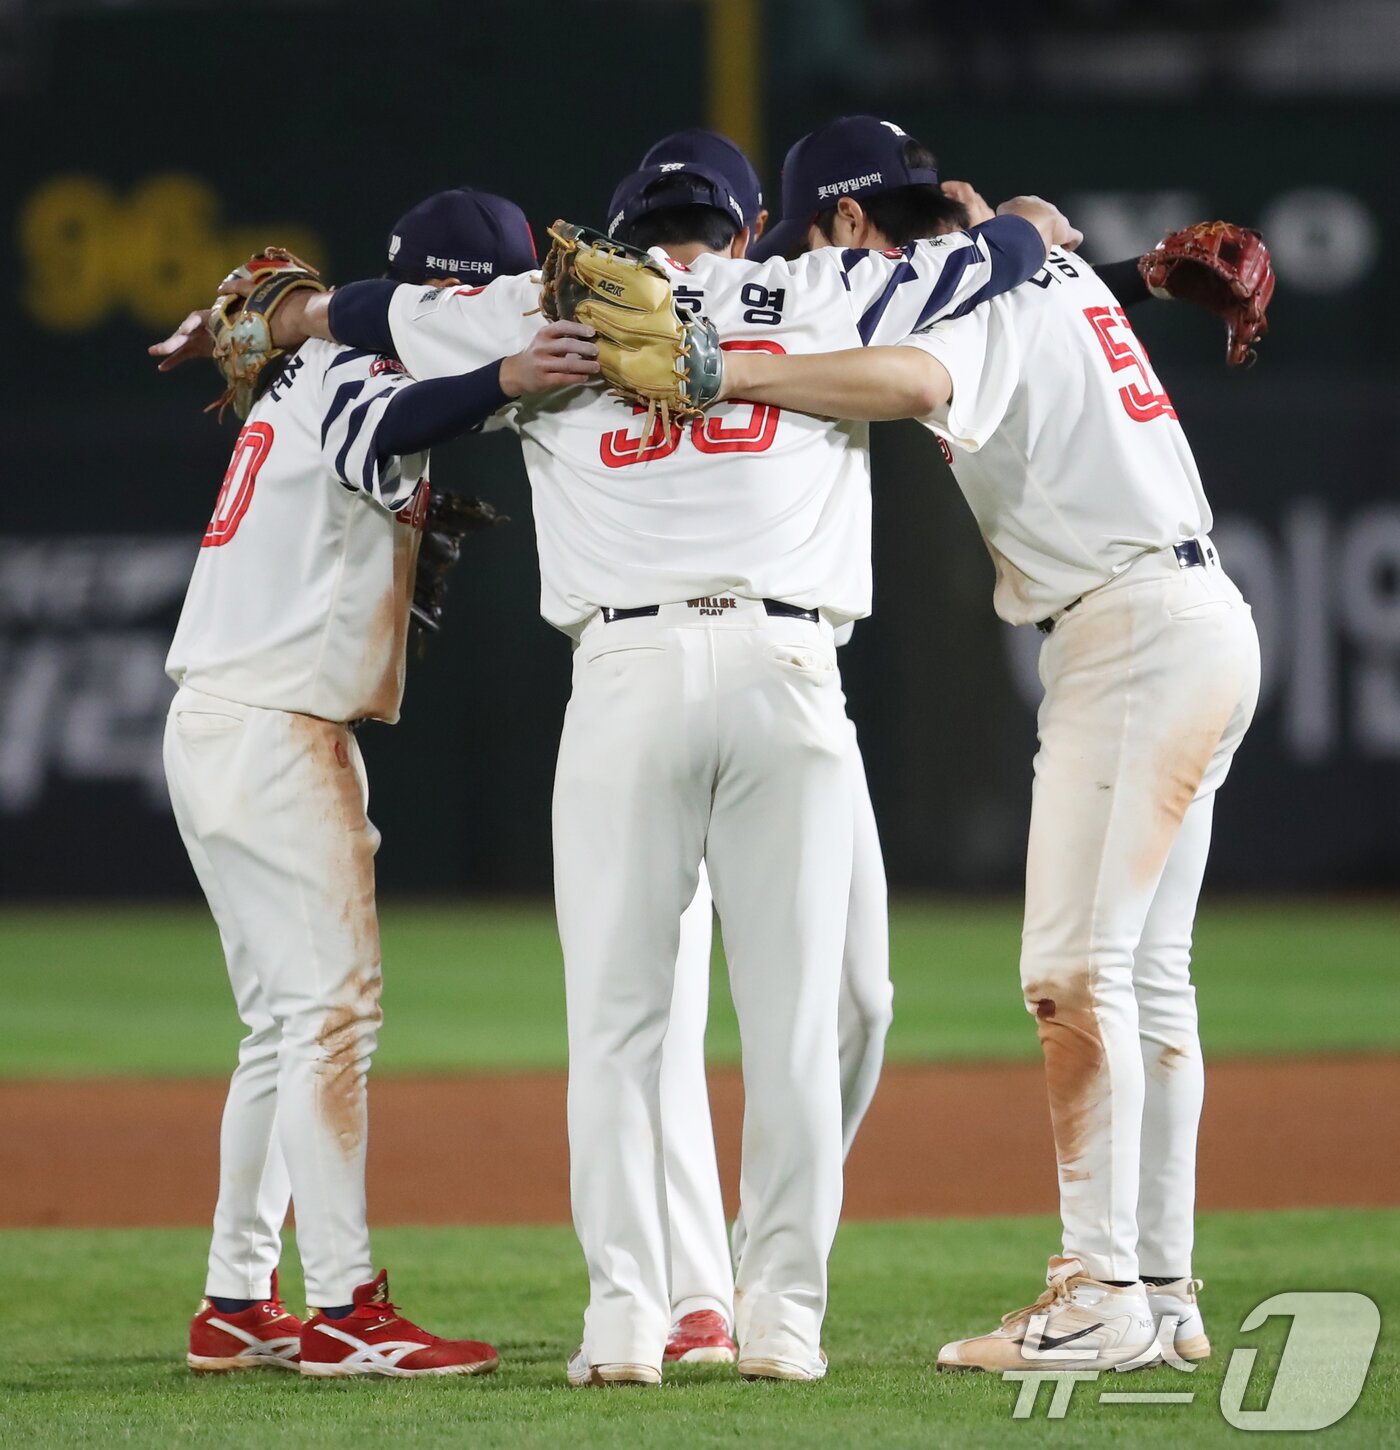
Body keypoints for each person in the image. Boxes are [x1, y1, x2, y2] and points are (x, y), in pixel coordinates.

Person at [209, 166, 1074, 1385]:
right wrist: (1026, 228)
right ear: (745, 225)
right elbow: (984, 270)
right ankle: (780, 1319)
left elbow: (374, 315)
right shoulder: (816, 289)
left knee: (616, 1026)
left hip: (624, 675)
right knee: (792, 1028)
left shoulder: (545, 308)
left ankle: (624, 1318)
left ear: (616, 234)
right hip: (787, 672)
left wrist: (297, 313)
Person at [711, 121, 1262, 1372]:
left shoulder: (974, 289)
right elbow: (1020, 275)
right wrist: (1109, 265)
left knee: (1072, 970)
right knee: (1148, 976)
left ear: (850, 222)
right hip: (1196, 615)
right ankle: (1159, 1289)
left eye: (817, 238)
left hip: (1130, 632)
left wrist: (724, 373)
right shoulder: (1031, 270)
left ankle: (1100, 1293)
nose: (817, 266)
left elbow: (913, 381)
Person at [159, 189, 596, 1378]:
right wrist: (503, 375)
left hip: (226, 715)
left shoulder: (312, 366)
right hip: (274, 726)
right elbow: (400, 409)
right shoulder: (360, 364)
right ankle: (346, 1308)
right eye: (494, 296)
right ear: (453, 294)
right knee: (332, 1018)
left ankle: (237, 1297)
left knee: (280, 1025)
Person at [629, 129, 892, 1370]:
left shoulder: (810, 299)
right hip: (649, 663)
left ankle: (766, 1241)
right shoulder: (599, 316)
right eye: (656, 229)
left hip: (793, 670)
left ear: (746, 233)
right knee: (663, 1003)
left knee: (855, 1001)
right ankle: (699, 1289)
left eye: (690, 224)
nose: (674, 245)